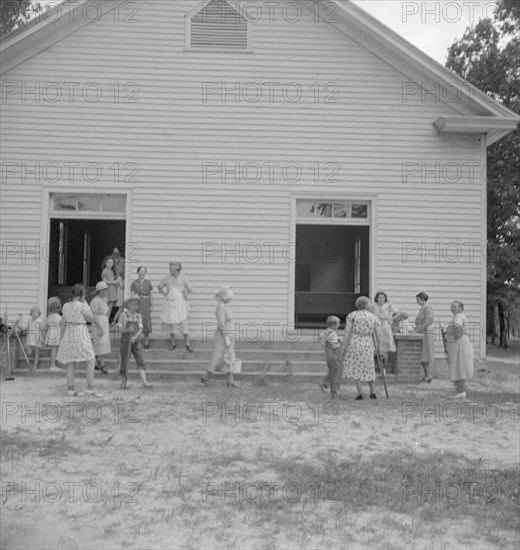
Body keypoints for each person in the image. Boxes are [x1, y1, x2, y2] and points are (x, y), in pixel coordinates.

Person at [55, 284, 104, 397]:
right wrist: (87, 305)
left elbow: (63, 323)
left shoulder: (66, 305)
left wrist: (61, 340)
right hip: (80, 331)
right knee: (90, 358)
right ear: (82, 295)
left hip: (68, 333)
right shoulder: (83, 305)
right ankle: (90, 388)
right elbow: (91, 319)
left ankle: (71, 389)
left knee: (70, 361)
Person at [340, 296, 381, 400]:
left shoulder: (352, 315)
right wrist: (378, 346)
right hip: (368, 344)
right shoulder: (373, 317)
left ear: (357, 305)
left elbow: (347, 331)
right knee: (369, 367)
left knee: (356, 367)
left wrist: (343, 345)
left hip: (355, 343)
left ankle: (360, 393)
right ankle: (373, 392)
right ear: (367, 305)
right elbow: (378, 333)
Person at [201, 286, 240, 387]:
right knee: (217, 356)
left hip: (229, 336)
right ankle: (206, 378)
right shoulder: (220, 307)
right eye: (228, 296)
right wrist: (225, 338)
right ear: (223, 297)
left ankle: (230, 381)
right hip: (223, 337)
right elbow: (221, 323)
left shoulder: (225, 306)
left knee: (230, 356)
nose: (230, 298)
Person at [442, 301, 474, 399]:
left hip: (460, 345)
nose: (452, 308)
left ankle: (461, 392)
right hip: (460, 344)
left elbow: (457, 327)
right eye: (451, 306)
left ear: (461, 308)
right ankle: (460, 391)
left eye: (455, 307)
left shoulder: (459, 316)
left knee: (459, 367)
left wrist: (449, 333)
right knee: (459, 367)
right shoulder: (460, 316)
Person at [158, 262, 193, 351]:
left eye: (171, 268)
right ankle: (173, 344)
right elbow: (159, 286)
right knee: (171, 323)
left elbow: (190, 288)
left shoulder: (183, 277)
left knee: (184, 323)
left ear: (176, 269)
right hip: (171, 304)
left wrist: (185, 294)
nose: (170, 270)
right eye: (169, 268)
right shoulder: (167, 277)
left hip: (180, 303)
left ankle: (187, 344)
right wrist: (165, 294)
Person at [118, 297, 152, 389]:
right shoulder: (123, 315)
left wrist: (134, 337)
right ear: (129, 305)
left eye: (137, 305)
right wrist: (127, 330)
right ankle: (123, 382)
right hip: (125, 341)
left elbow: (140, 330)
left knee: (140, 359)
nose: (136, 306)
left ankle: (145, 382)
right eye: (134, 304)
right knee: (125, 361)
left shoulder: (138, 316)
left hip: (136, 341)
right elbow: (120, 329)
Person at [318, 315, 342, 400]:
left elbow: (319, 339)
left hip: (328, 356)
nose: (339, 325)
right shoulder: (333, 334)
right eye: (338, 324)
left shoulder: (325, 332)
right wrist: (341, 344)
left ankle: (325, 383)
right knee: (335, 374)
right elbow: (334, 346)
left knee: (332, 372)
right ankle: (333, 392)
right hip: (334, 356)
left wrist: (325, 346)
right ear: (334, 325)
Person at [372, 292, 399, 364]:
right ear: (376, 298)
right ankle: (376, 365)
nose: (381, 299)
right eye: (380, 297)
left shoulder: (388, 305)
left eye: (383, 297)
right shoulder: (373, 306)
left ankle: (384, 365)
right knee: (376, 345)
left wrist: (391, 318)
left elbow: (398, 312)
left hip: (386, 326)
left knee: (386, 347)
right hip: (376, 327)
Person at [90, 281, 111, 374]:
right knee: (99, 342)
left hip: (104, 320)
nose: (106, 291)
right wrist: (98, 326)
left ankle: (96, 363)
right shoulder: (95, 300)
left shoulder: (105, 299)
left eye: (106, 289)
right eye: (104, 289)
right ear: (100, 290)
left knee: (103, 342)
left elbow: (106, 311)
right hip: (98, 321)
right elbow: (94, 314)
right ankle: (101, 363)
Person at [414, 291, 435, 383]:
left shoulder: (428, 308)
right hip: (422, 332)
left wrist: (418, 330)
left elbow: (428, 321)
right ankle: (427, 375)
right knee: (423, 355)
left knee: (425, 355)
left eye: (418, 299)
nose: (417, 301)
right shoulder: (423, 308)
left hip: (426, 333)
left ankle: (428, 376)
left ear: (423, 299)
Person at [130, 266, 153, 349]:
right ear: (137, 272)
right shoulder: (134, 283)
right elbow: (132, 295)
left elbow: (151, 294)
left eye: (144, 272)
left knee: (146, 321)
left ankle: (146, 342)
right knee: (138, 321)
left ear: (145, 273)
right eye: (140, 271)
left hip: (146, 303)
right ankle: (138, 341)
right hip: (138, 303)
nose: (142, 273)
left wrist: (152, 305)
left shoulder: (148, 282)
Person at [18, 306, 44, 370]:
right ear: (31, 313)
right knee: (29, 352)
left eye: (36, 313)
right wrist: (20, 321)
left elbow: (42, 329)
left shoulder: (40, 321)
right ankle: (36, 358)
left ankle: (35, 365)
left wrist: (43, 338)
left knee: (36, 352)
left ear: (39, 314)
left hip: (37, 338)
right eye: (33, 313)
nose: (35, 314)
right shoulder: (29, 320)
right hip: (30, 338)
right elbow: (25, 327)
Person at [43, 298, 62, 372]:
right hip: (56, 334)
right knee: (54, 350)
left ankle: (53, 364)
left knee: (53, 350)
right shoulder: (60, 317)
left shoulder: (49, 317)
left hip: (50, 333)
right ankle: (53, 365)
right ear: (58, 309)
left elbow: (45, 326)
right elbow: (62, 326)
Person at [111, 248, 125, 325]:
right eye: (114, 253)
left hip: (121, 282)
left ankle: (115, 321)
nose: (115, 254)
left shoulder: (123, 260)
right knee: (113, 304)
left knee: (120, 306)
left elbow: (125, 270)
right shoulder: (111, 260)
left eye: (117, 252)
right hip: (116, 283)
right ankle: (113, 321)